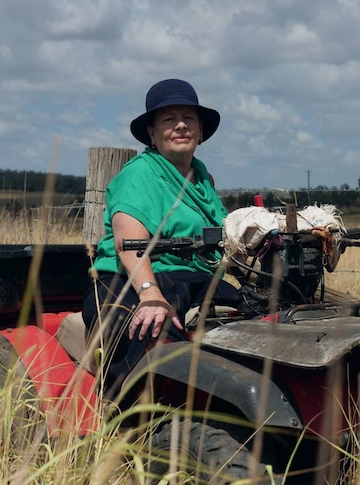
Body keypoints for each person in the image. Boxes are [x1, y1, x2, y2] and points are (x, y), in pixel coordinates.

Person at [82, 79, 241, 397]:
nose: (181, 125)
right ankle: (122, 415)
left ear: (199, 131)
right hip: (130, 280)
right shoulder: (139, 174)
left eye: (189, 118)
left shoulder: (201, 179)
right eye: (170, 119)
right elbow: (128, 245)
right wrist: (150, 295)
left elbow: (226, 242)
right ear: (152, 133)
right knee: (144, 327)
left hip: (195, 282)